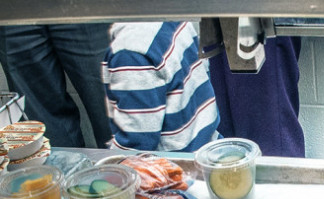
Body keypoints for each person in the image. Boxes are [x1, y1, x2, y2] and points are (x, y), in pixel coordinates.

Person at [102, 21, 220, 152]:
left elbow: (136, 146)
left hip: (175, 164)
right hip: (208, 146)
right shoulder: (171, 15)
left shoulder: (130, 52)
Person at [0, 24, 112, 148]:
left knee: (111, 110)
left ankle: (126, 165)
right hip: (12, 14)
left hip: (84, 9)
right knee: (42, 129)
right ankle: (62, 167)